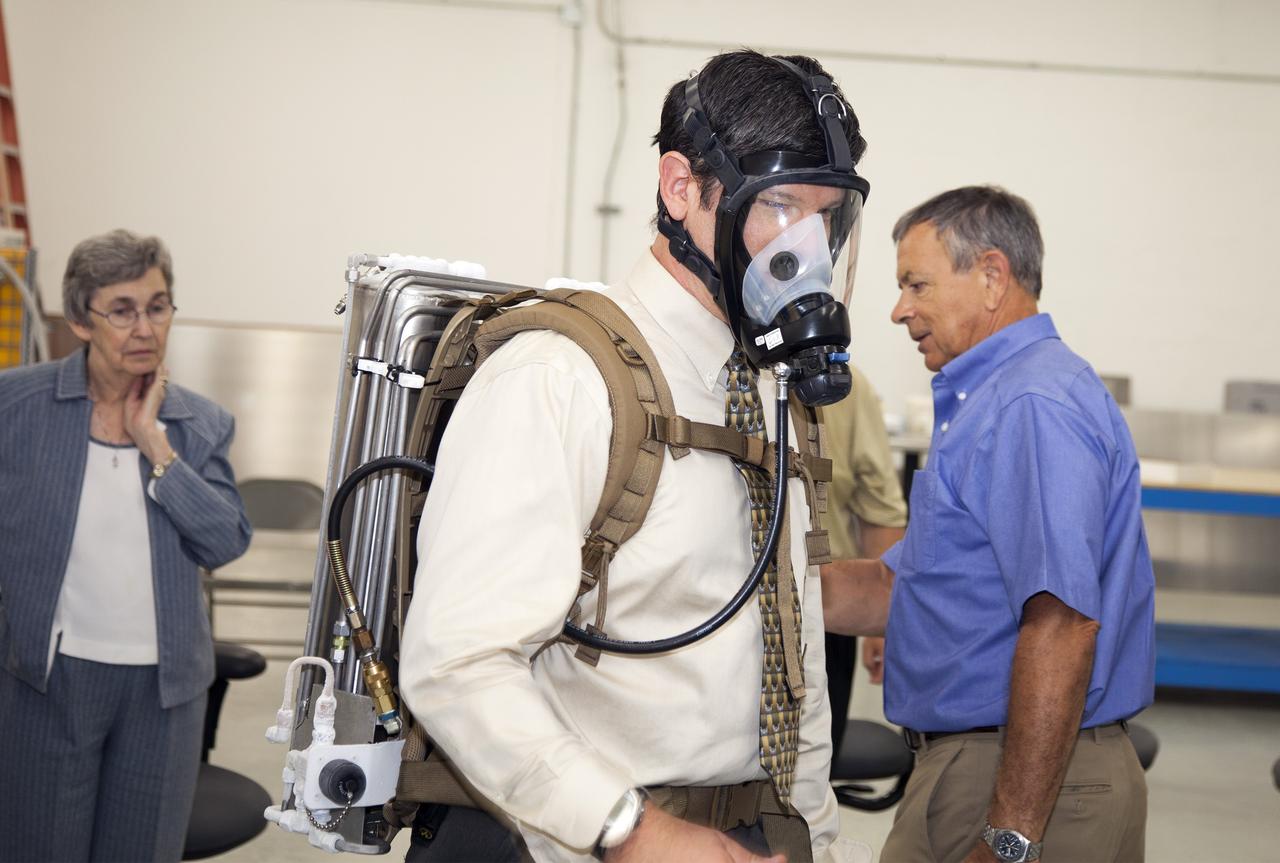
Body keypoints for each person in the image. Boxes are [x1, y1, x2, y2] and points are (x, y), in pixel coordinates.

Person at [398, 50, 884, 863]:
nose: (809, 250)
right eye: (781, 206)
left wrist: (812, 837)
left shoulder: (772, 393)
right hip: (568, 839)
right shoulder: (559, 375)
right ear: (680, 188)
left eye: (827, 218)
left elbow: (788, 653)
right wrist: (629, 831)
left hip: (745, 833)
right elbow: (457, 664)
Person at [823, 186, 1155, 863]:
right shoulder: (992, 400)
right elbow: (904, 586)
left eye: (917, 284)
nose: (899, 309)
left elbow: (1061, 625)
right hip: (987, 765)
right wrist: (769, 582)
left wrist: (1009, 838)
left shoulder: (1030, 404)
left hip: (1017, 778)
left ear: (993, 276)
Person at [0, 229, 253, 862]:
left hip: (164, 692)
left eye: (158, 306)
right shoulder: (17, 406)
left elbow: (225, 540)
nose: (145, 327)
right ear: (81, 320)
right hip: (47, 680)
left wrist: (157, 449)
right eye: (123, 310)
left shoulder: (197, 424)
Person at [819, 366, 906, 754]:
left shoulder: (840, 384)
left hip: (825, 615)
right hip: (707, 613)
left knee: (814, 774)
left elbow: (880, 512)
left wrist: (881, 627)